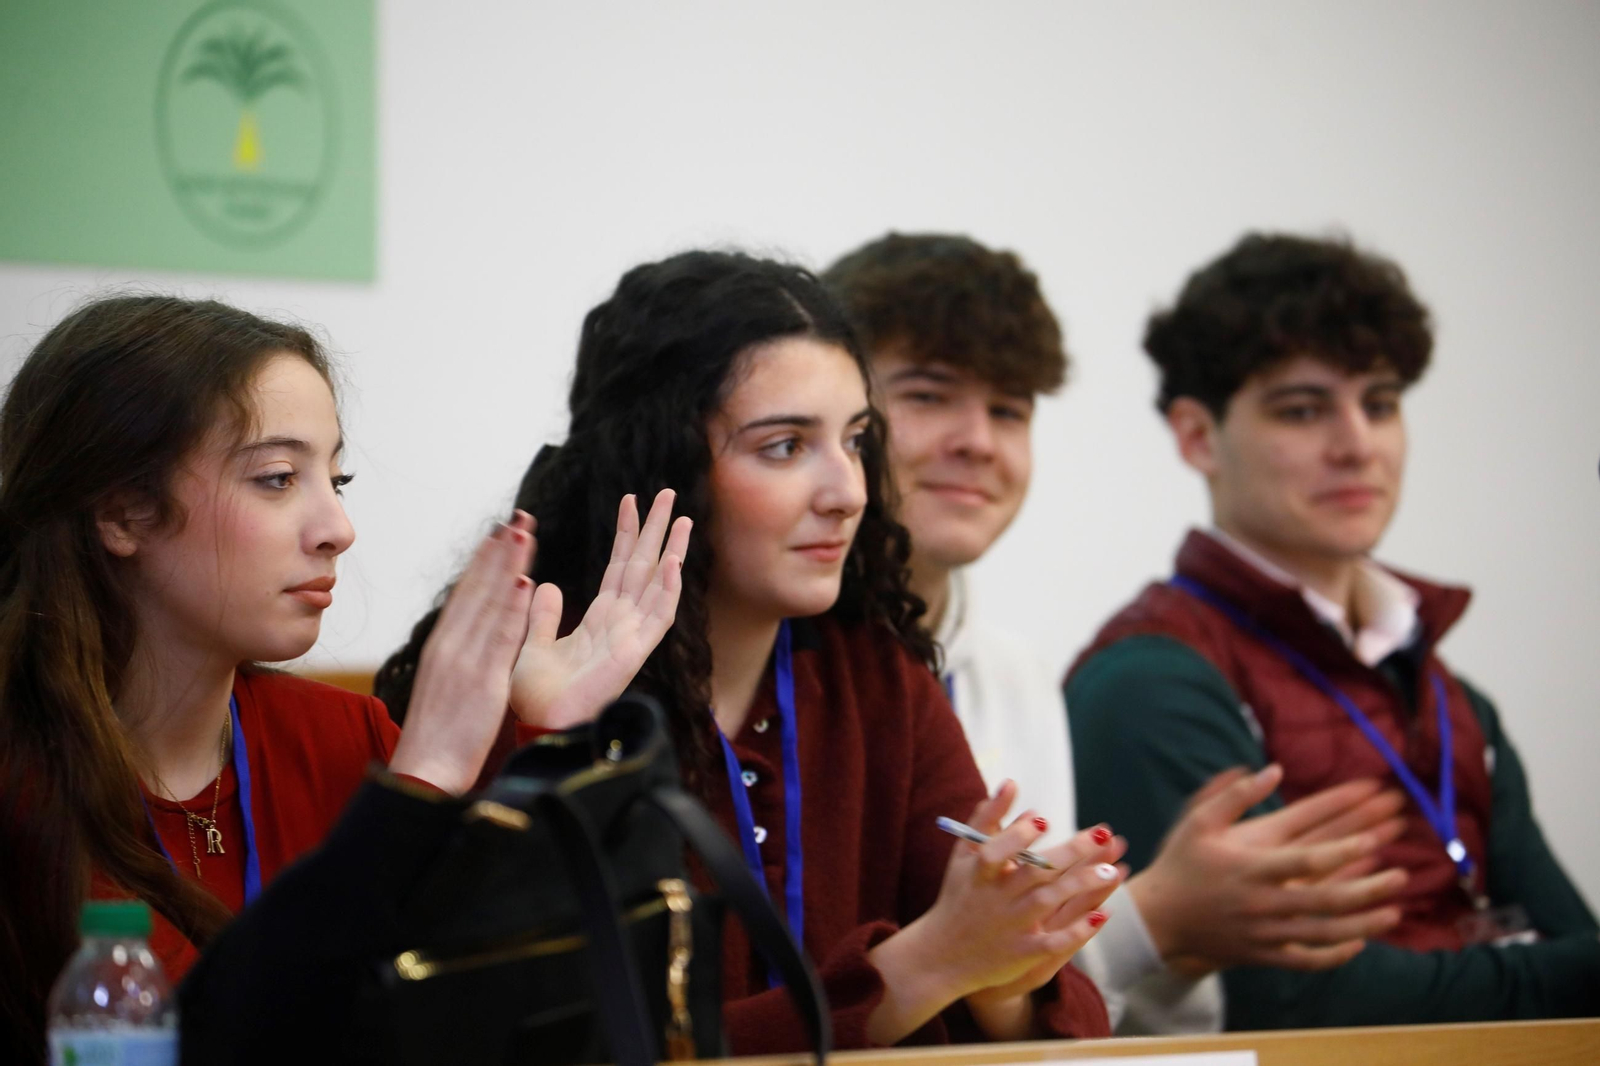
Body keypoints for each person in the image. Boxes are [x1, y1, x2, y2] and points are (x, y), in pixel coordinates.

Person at [378, 250, 1122, 1053]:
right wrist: (923, 972)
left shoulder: (876, 677)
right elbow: (544, 1047)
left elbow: (1071, 1014)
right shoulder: (530, 680)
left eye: (857, 439)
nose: (849, 491)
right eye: (784, 447)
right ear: (667, 464)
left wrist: (1007, 980)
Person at [0, 296, 687, 1063]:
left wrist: (540, 738)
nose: (338, 528)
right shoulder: (24, 777)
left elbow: (476, 1013)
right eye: (277, 478)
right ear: (123, 512)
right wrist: (416, 788)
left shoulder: (343, 734)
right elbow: (209, 1044)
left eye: (337, 478)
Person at [824, 231, 1413, 1033]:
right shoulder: (787, 664)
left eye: (1009, 409)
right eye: (930, 396)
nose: (979, 441)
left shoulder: (1012, 672)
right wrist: (1156, 916)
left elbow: (1027, 997)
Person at [1066, 232, 1600, 1027]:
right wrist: (1535, 980)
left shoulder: (1450, 692)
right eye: (1304, 409)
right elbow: (1292, 1002)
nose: (1357, 445)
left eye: (1379, 404)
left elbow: (1577, 944)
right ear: (1198, 436)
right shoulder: (1150, 676)